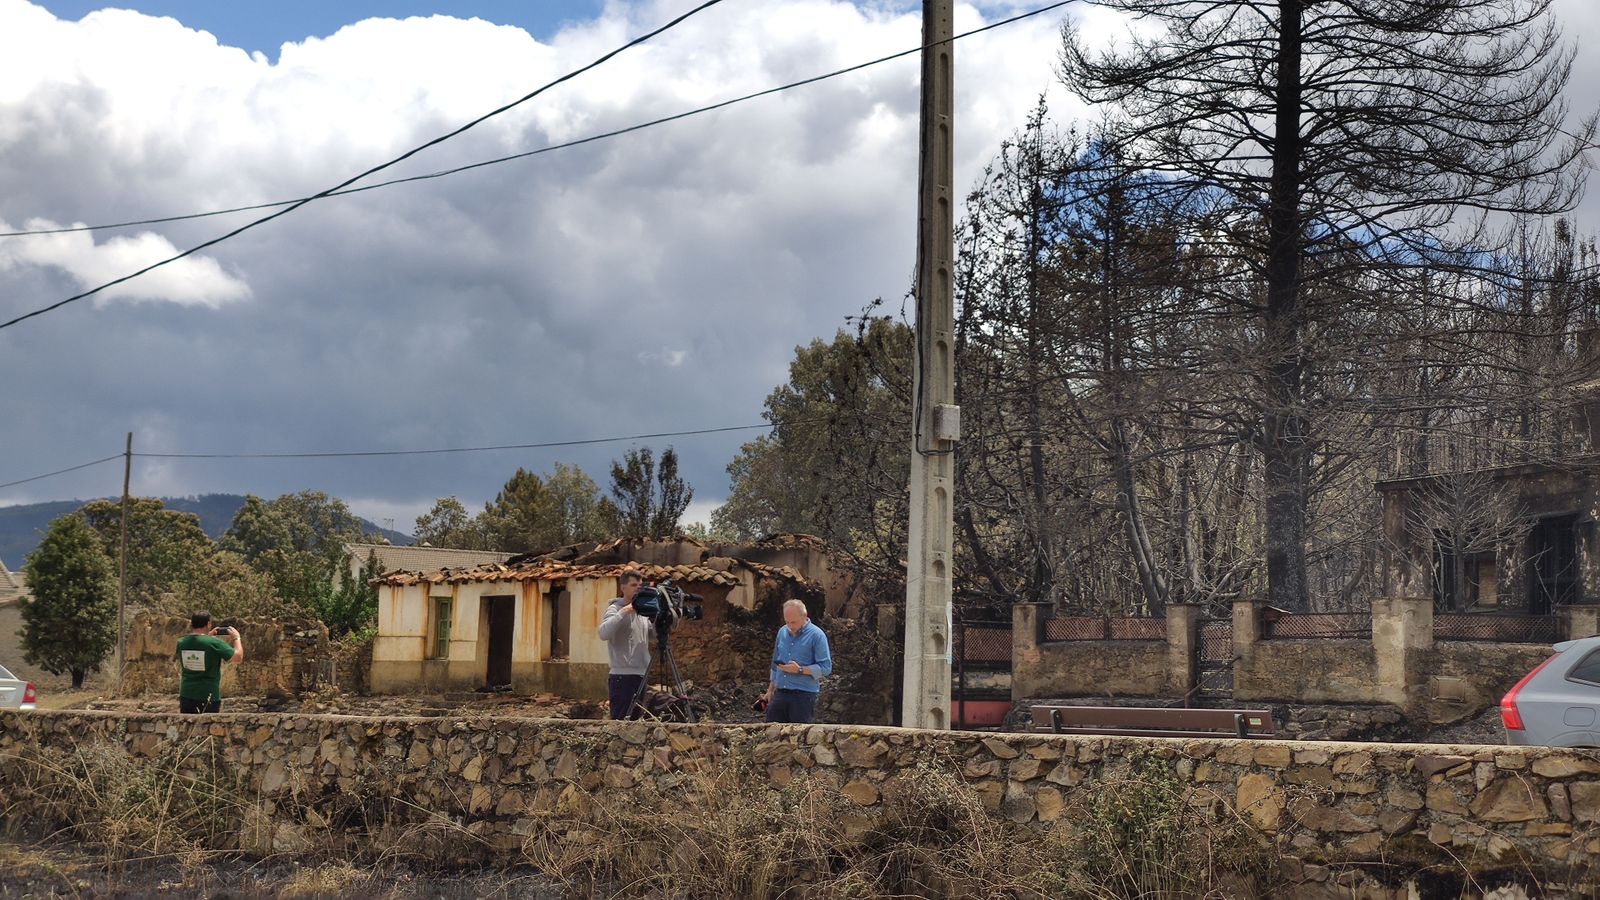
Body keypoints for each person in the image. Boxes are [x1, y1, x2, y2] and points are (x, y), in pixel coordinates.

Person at [762, 599, 832, 724]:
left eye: (794, 622)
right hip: (780, 693)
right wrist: (770, 690)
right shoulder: (782, 632)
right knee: (770, 735)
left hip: (803, 696)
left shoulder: (817, 635)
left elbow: (826, 668)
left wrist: (800, 670)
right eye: (787, 622)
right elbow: (775, 663)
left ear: (805, 617)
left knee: (798, 738)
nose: (790, 626)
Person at [597, 569, 654, 720]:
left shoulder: (642, 612)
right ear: (623, 588)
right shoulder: (615, 609)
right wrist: (623, 612)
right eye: (633, 585)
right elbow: (603, 633)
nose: (637, 588)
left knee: (636, 723)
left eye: (639, 585)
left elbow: (652, 636)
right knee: (621, 722)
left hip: (641, 675)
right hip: (622, 677)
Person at [175, 610, 244, 713]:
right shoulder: (214, 643)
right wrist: (236, 638)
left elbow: (199, 646)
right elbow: (238, 657)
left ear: (191, 623)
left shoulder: (181, 643)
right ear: (208, 624)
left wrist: (208, 637)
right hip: (208, 696)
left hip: (186, 695)